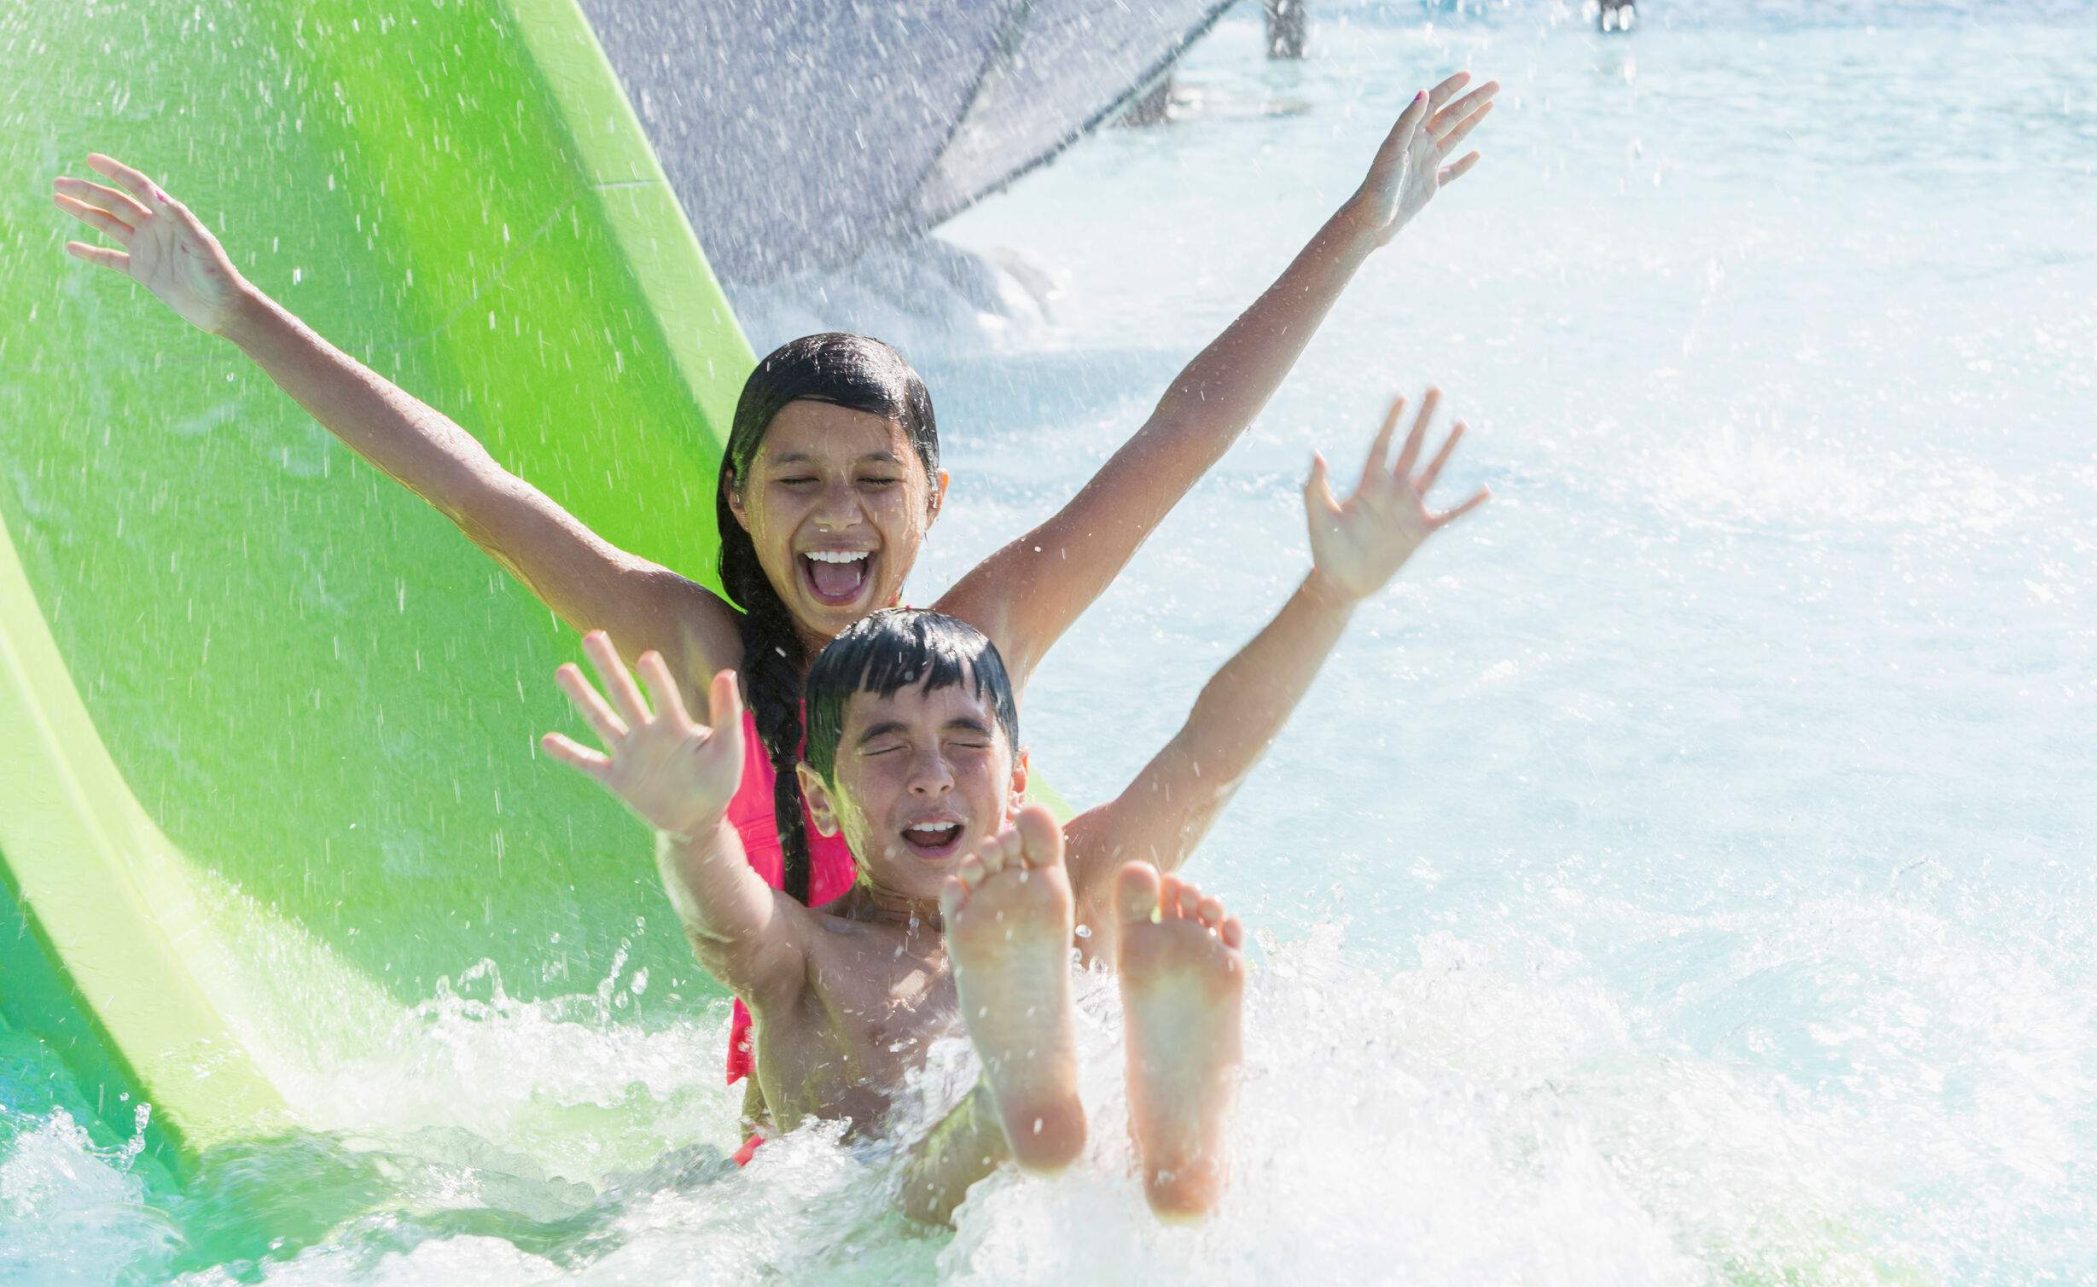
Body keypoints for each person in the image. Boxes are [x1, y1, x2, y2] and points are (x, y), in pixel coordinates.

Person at [50, 72, 1498, 1097]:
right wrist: (237, 312)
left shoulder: (981, 634)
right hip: (813, 1043)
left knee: (1101, 877)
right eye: (795, 479)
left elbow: (1178, 436)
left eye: (877, 479)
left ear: (935, 497)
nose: (838, 515)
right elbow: (477, 493)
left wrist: (1359, 228)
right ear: (739, 502)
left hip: (990, 976)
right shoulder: (703, 648)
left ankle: (1129, 1088)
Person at [539, 393, 1485, 1222]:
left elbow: (1209, 756)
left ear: (1018, 776)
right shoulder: (800, 955)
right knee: (886, 1195)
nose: (932, 774)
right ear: (818, 802)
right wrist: (691, 826)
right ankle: (1027, 1099)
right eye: (886, 745)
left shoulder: (1062, 885)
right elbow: (717, 908)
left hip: (1030, 1219)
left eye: (963, 741)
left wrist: (1331, 592)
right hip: (879, 1234)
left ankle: (1165, 1141)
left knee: (1115, 1176)